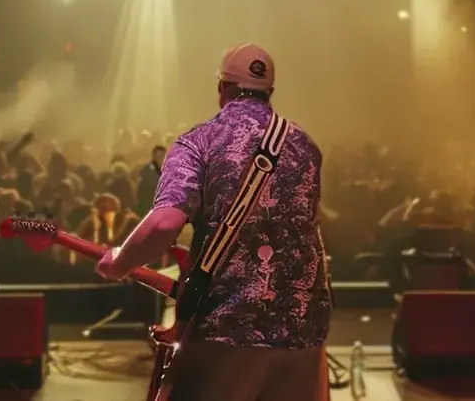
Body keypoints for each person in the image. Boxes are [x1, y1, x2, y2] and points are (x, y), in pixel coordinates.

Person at [96, 44, 330, 401]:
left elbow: (163, 225)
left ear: (222, 88)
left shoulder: (199, 142)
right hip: (304, 329)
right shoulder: (305, 146)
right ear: (270, 92)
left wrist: (120, 262)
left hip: (229, 325)